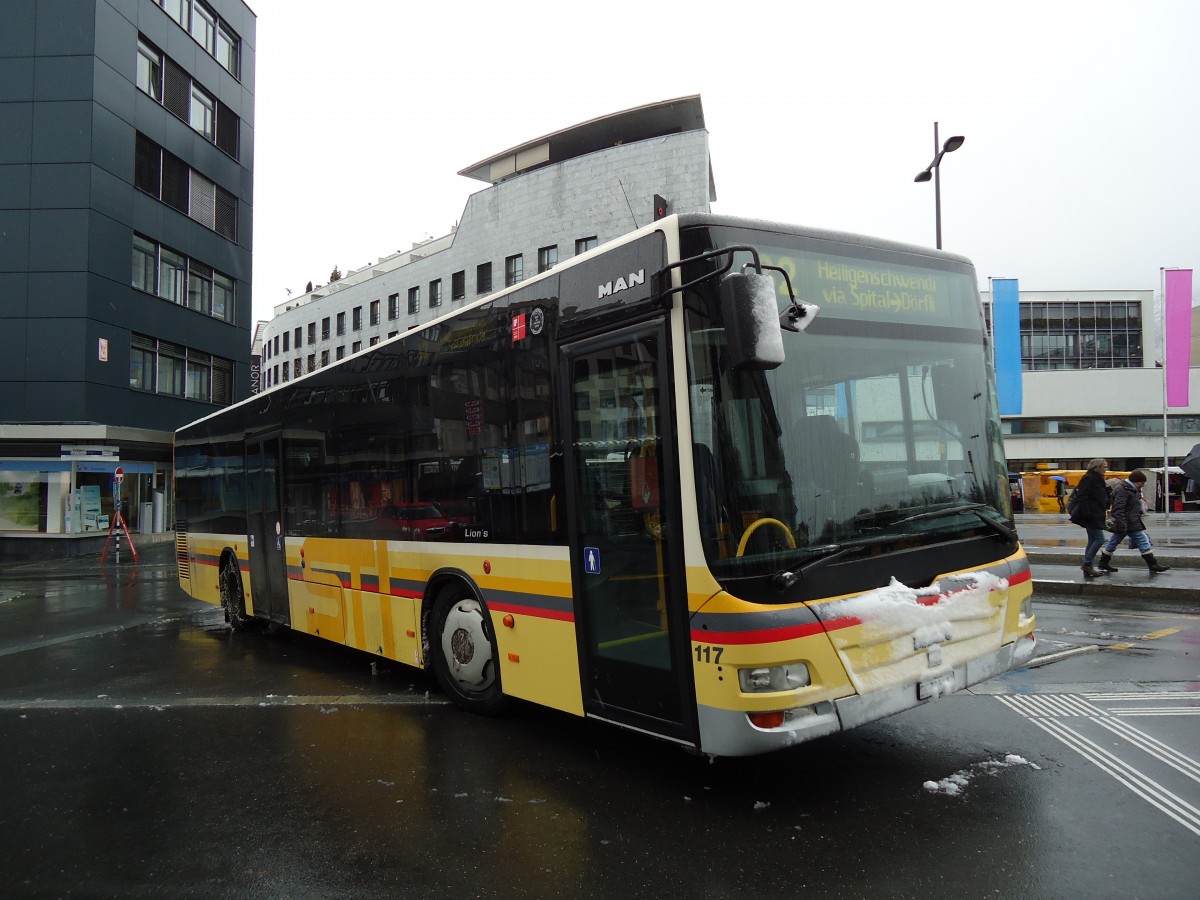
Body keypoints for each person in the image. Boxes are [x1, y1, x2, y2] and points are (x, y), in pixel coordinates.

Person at [1099, 469, 1171, 574]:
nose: (1143, 485)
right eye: (1142, 483)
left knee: (1114, 541)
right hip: (1128, 522)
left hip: (1128, 521)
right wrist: (1123, 524)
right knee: (1143, 540)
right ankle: (1153, 564)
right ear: (1136, 481)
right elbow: (1119, 508)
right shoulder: (1123, 489)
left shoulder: (1129, 489)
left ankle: (1103, 562)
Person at [1069, 458, 1111, 578]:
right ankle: (1087, 564)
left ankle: (1088, 565)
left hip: (1097, 513)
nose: (1106, 469)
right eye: (1104, 466)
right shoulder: (1090, 478)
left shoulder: (1098, 479)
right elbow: (1082, 496)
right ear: (1097, 467)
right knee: (1099, 539)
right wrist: (1087, 512)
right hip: (1092, 514)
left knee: (1093, 540)